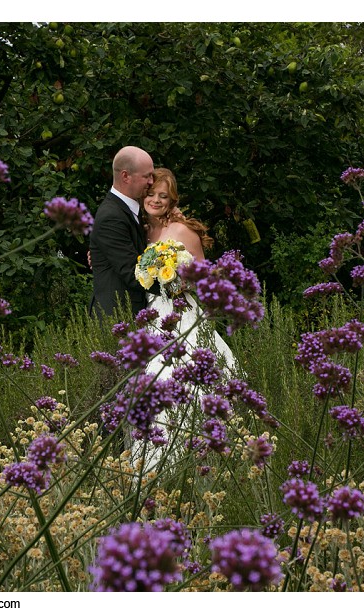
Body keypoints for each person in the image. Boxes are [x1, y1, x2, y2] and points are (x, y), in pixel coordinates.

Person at [133, 167, 239, 475]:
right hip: (154, 316)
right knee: (151, 383)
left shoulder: (181, 231)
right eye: (150, 194)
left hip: (183, 314)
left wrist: (181, 282)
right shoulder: (143, 231)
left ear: (172, 199)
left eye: (163, 196)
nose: (155, 200)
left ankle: (201, 461)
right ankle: (154, 466)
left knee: (189, 385)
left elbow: (207, 279)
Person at [88, 146, 156, 319]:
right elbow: (132, 273)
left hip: (133, 312)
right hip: (118, 316)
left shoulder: (130, 209)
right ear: (125, 176)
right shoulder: (111, 216)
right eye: (146, 176)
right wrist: (174, 282)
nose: (151, 182)